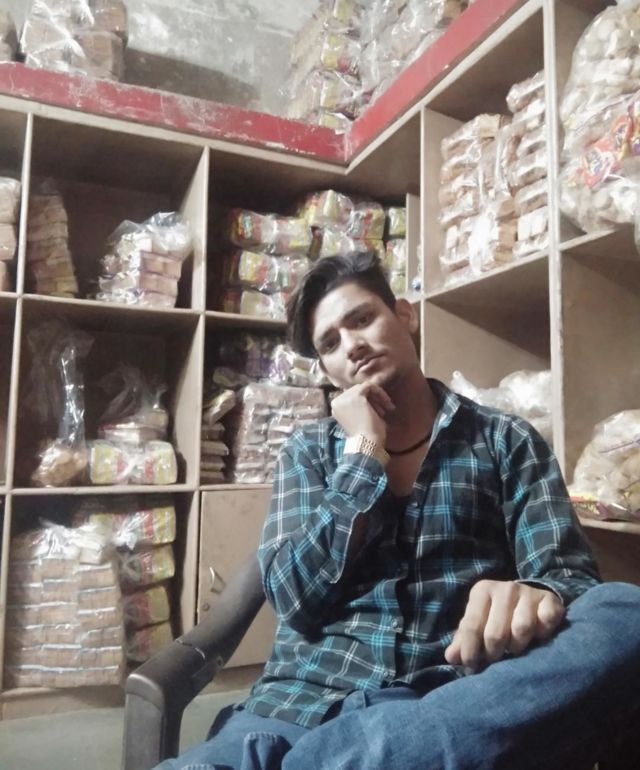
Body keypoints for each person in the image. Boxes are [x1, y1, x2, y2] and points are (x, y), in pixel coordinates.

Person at [156, 253, 640, 770]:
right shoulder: (309, 451)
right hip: (301, 705)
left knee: (623, 612)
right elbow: (296, 601)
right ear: (326, 370)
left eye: (362, 319)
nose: (352, 345)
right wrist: (364, 454)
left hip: (445, 703)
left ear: (405, 315)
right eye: (330, 343)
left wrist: (535, 592)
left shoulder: (504, 439)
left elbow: (570, 577)